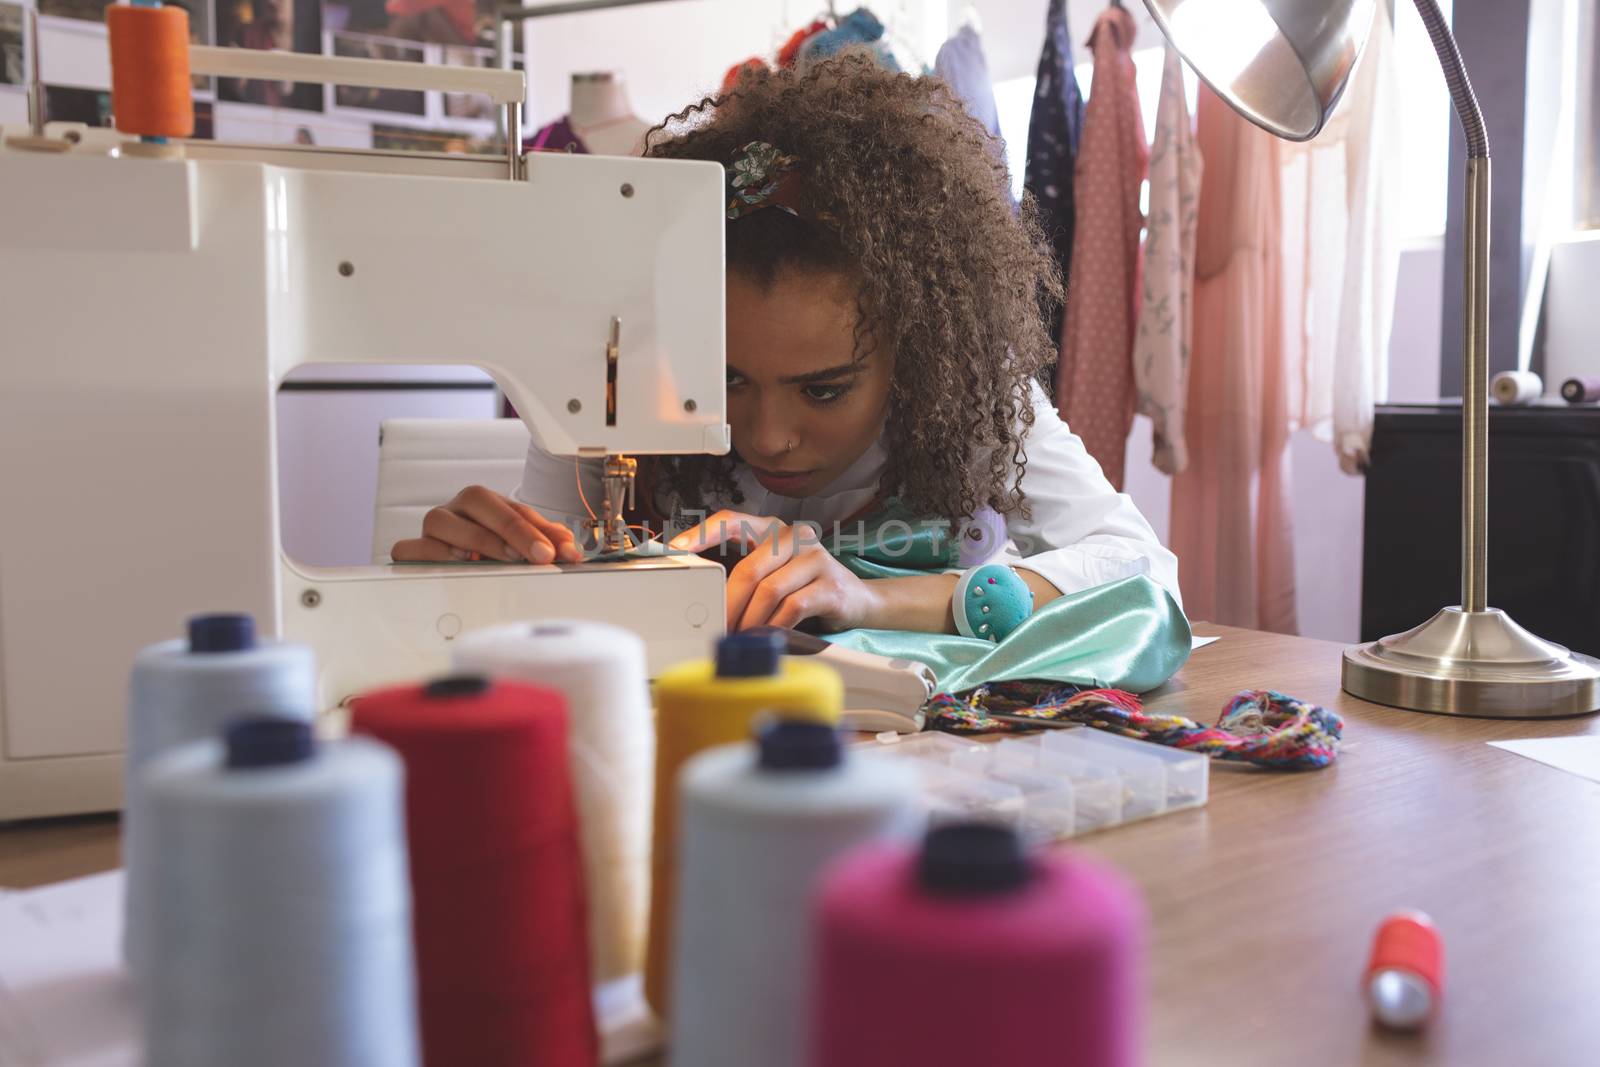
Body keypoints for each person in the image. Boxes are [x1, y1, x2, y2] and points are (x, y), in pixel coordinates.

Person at [392, 53, 1178, 636]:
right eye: (725, 378)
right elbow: (542, 608)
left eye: (824, 389)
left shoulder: (971, 398)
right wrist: (486, 574)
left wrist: (880, 597)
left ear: (914, 352)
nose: (767, 435)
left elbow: (1146, 573)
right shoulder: (616, 380)